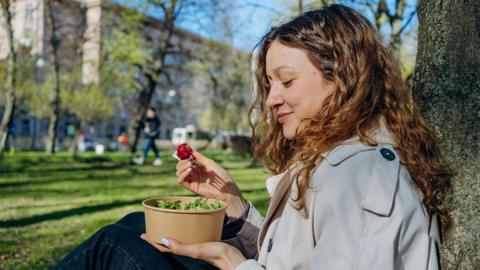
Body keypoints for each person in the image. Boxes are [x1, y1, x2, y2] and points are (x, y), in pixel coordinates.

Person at [54, 4, 451, 270]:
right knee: (136, 224)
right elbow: (293, 256)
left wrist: (232, 261)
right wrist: (236, 210)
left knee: (115, 246)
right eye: (269, 83)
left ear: (342, 77)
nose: (272, 98)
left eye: (287, 81)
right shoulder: (341, 157)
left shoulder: (362, 176)